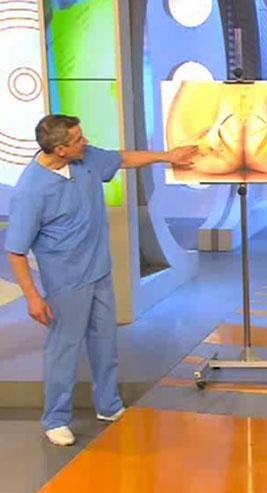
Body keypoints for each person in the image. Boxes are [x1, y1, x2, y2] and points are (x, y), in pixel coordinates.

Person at [5, 114, 197, 445]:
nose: (87, 141)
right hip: (66, 282)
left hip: (100, 271)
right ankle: (55, 419)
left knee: (105, 342)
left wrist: (168, 156)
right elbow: (16, 250)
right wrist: (33, 297)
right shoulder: (30, 191)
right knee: (64, 350)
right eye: (79, 139)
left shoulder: (86, 159)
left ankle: (108, 405)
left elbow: (122, 158)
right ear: (61, 149)